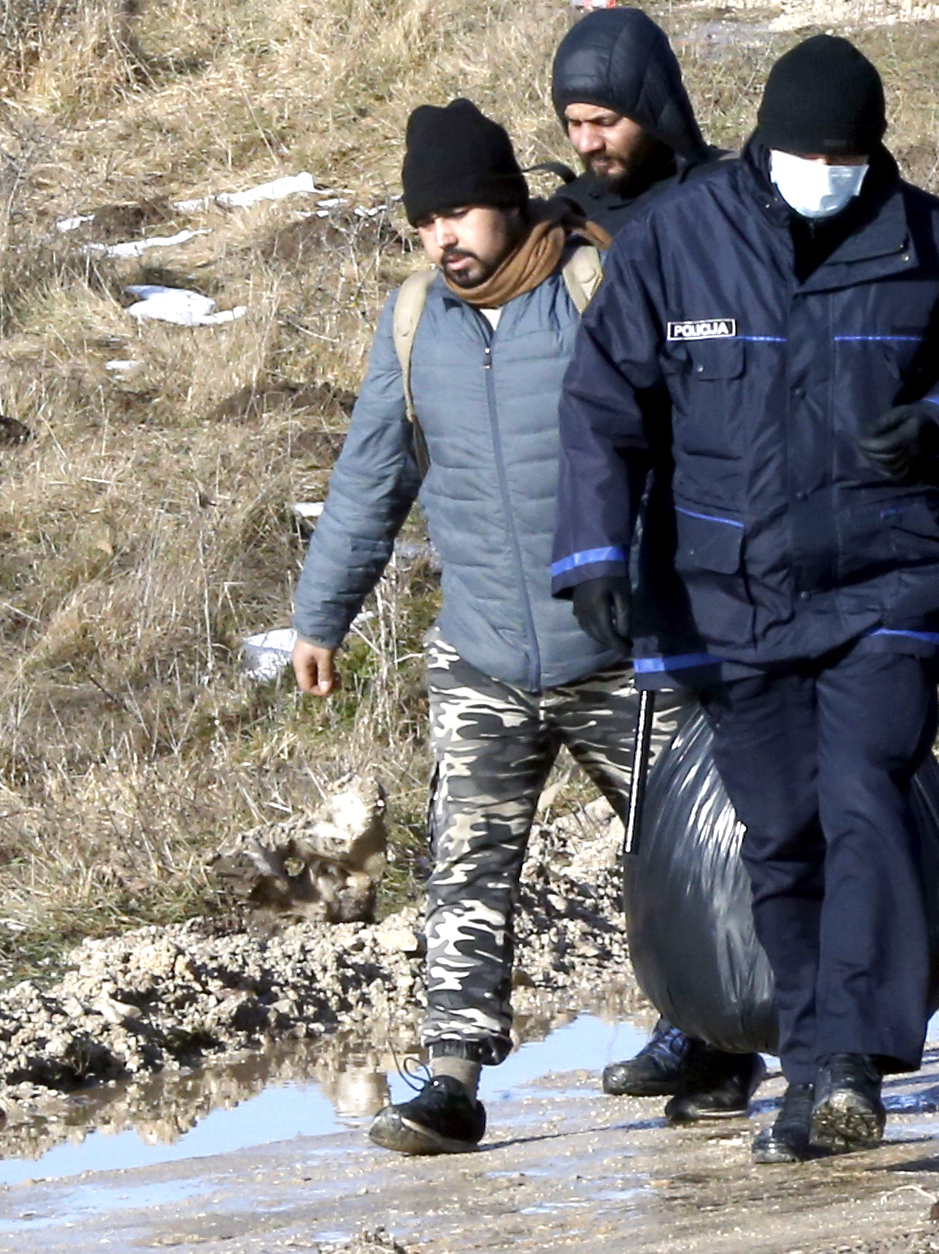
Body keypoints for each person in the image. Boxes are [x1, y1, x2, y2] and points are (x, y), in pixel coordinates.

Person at [555, 36, 939, 1159]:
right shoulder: (680, 241)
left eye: (845, 157)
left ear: (874, 151)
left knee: (864, 799)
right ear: (764, 144)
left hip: (890, 581)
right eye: (807, 155)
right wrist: (591, 556)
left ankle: (850, 1067)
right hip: (730, 592)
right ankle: (807, 1057)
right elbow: (602, 409)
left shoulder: (930, 241)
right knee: (781, 831)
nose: (824, 174)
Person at [300, 102, 748, 1153]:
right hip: (484, 651)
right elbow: (372, 473)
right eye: (425, 222)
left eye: (458, 214)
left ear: (507, 203)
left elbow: (689, 444)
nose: (443, 239)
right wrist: (322, 614)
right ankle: (452, 1082)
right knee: (465, 870)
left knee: (687, 857)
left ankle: (719, 1037)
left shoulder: (596, 286)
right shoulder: (415, 321)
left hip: (621, 646)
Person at [551, 5, 720, 235]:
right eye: (575, 124)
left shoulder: (724, 198)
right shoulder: (567, 213)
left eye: (605, 122)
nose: (586, 144)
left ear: (652, 114)